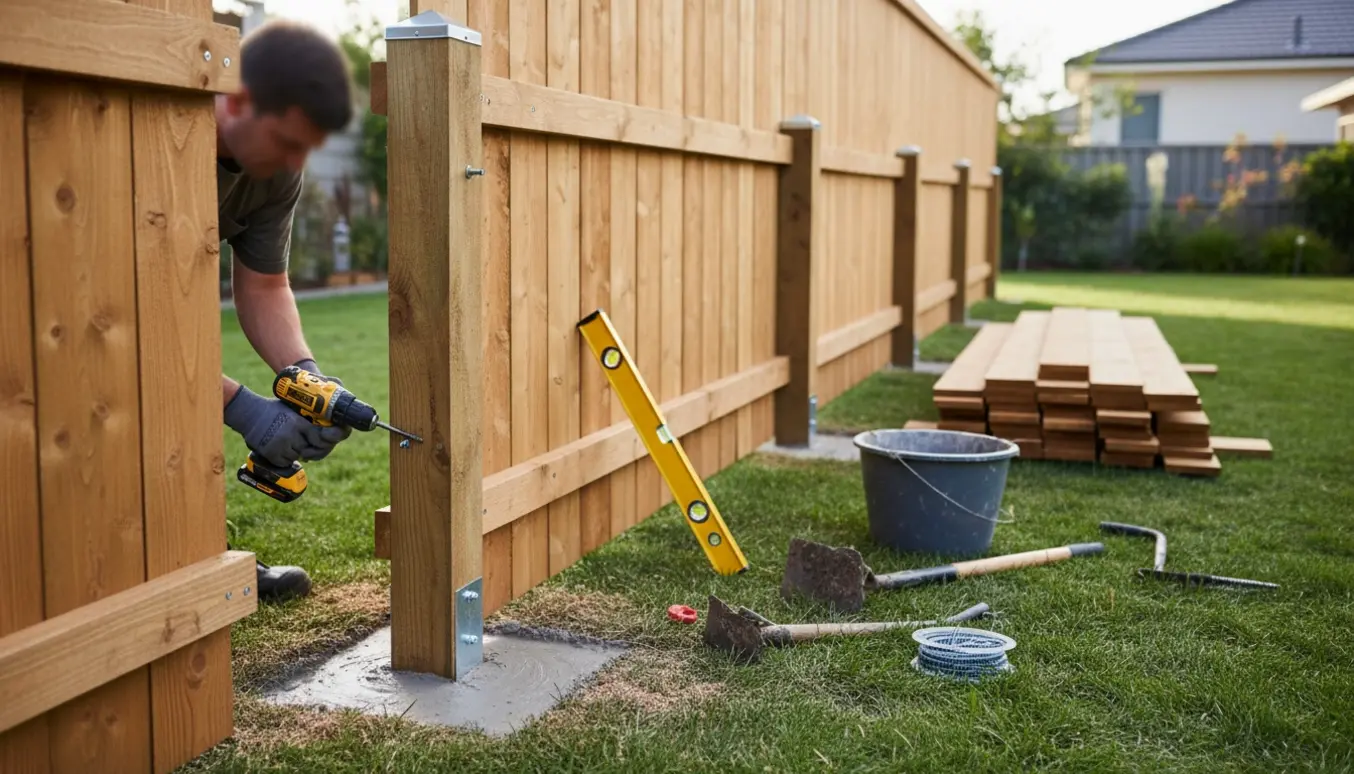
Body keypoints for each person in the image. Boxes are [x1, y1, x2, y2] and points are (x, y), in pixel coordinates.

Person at [216, 19, 356, 602]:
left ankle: (201, 557)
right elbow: (112, 319)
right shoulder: (151, 138)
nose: (296, 160)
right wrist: (243, 409)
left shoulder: (277, 174)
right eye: (289, 141)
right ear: (238, 101)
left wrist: (305, 378)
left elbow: (265, 286)